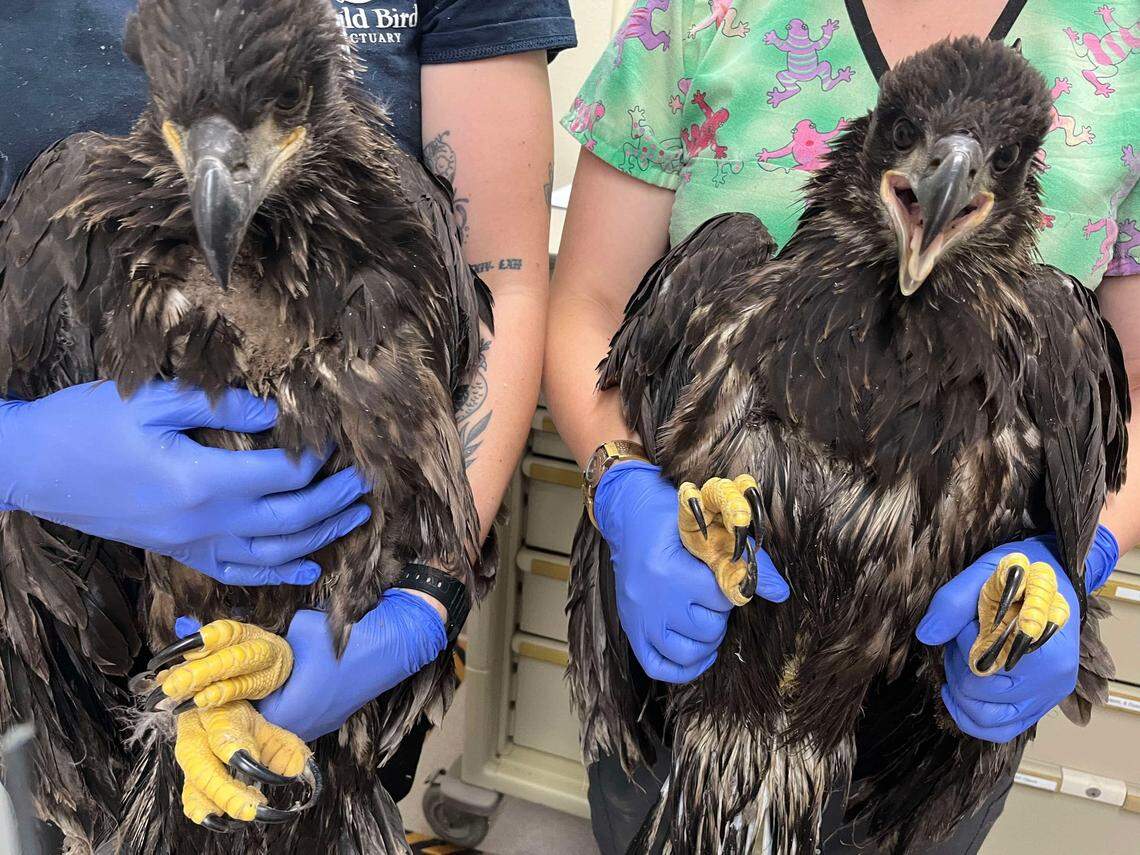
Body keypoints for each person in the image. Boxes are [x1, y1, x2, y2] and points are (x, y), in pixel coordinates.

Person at [546, 1, 1138, 852]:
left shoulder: (1126, 44)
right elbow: (589, 306)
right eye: (912, 137)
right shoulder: (702, 16)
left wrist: (1081, 558)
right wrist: (624, 485)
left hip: (917, 729)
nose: (949, 174)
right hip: (683, 692)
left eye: (993, 161)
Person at [0, 0, 574, 805]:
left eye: (280, 116)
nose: (223, 176)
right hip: (83, 652)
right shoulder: (62, 213)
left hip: (340, 629)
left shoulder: (390, 202)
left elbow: (500, 283)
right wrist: (13, 453)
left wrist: (426, 592)